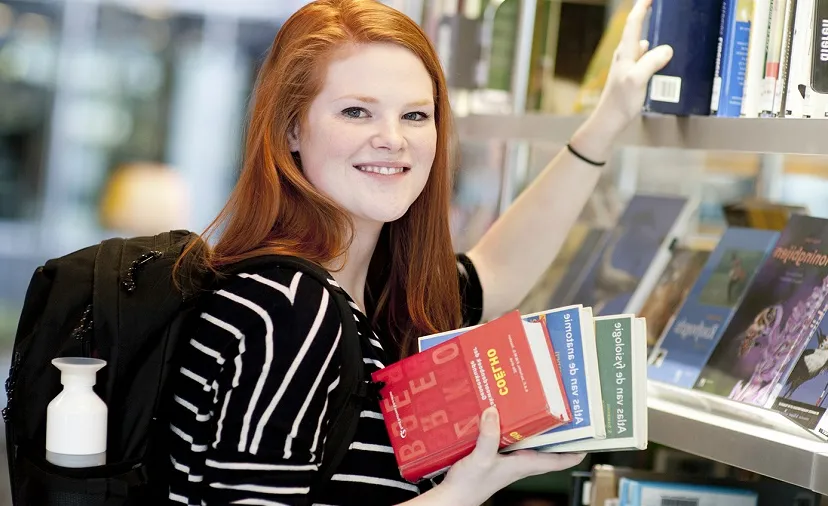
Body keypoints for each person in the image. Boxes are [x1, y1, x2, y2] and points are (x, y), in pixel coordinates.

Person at [163, 0, 673, 504]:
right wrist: (465, 491)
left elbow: (495, 271)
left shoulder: (375, 290)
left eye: (414, 115)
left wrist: (606, 122)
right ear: (291, 128)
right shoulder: (291, 308)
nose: (392, 139)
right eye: (357, 112)